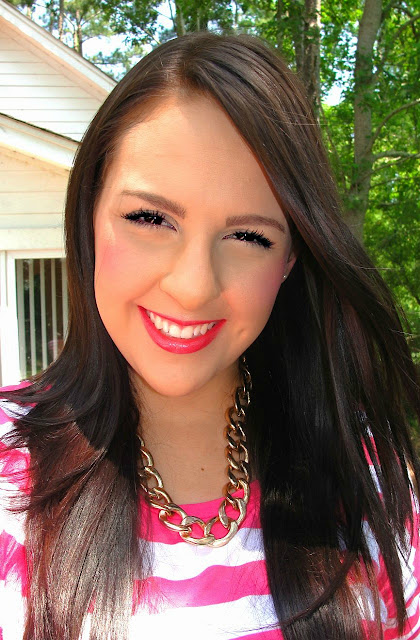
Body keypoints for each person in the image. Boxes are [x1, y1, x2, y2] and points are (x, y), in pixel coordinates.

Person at [0, 32, 419, 640]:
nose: (194, 287)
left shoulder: (363, 471)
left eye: (249, 237)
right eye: (150, 218)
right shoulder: (10, 474)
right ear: (89, 213)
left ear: (291, 259)